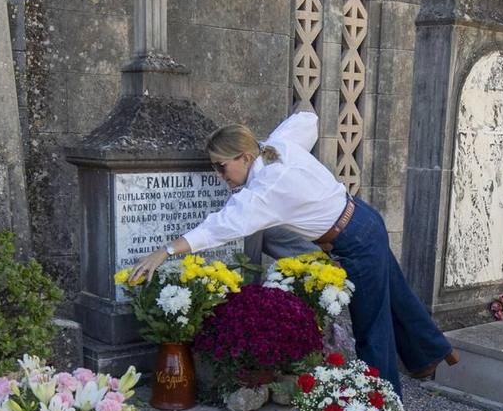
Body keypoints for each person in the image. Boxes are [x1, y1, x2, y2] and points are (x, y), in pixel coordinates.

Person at [126, 109, 456, 392]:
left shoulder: (266, 189)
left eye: (221, 166)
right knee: (395, 295)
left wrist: (166, 251)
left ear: (244, 157)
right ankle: (431, 353)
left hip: (355, 239)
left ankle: (384, 409)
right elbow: (306, 118)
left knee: (371, 325)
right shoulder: (276, 146)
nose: (218, 175)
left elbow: (220, 226)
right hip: (364, 219)